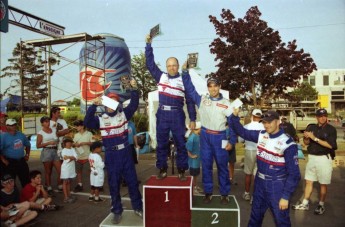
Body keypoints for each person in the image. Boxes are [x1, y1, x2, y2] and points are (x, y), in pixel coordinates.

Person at [84, 79, 143, 224]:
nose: (111, 106)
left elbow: (134, 104)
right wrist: (93, 105)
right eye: (108, 103)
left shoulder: (123, 115)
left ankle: (138, 207)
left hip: (125, 153)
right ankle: (117, 211)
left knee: (132, 182)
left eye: (114, 103)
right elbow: (87, 122)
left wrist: (134, 89)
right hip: (111, 155)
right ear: (105, 104)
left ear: (117, 105)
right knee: (114, 184)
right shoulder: (100, 119)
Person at [229, 110, 301, 226]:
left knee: (281, 221)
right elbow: (242, 132)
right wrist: (234, 116)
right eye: (264, 122)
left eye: (270, 122)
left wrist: (286, 196)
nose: (266, 125)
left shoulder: (287, 143)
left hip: (277, 185)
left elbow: (294, 174)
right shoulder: (261, 134)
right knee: (254, 218)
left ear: (278, 122)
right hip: (259, 183)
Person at [181, 67, 236, 205]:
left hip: (221, 137)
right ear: (208, 88)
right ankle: (208, 192)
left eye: (215, 86)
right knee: (206, 166)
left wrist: (233, 141)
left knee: (222, 166)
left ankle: (224, 194)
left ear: (219, 87)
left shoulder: (227, 104)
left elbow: (233, 124)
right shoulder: (202, 100)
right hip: (205, 136)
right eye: (210, 86)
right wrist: (185, 73)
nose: (213, 89)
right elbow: (190, 89)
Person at [145, 34, 197, 180]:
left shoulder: (184, 79)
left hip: (177, 115)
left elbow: (190, 101)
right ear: (166, 67)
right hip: (162, 114)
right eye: (169, 65)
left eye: (174, 65)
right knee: (161, 144)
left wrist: (192, 118)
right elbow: (150, 64)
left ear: (178, 66)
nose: (171, 67)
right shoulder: (160, 76)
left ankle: (181, 169)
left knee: (181, 143)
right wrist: (148, 45)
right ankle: (162, 168)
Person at [292, 108, 337, 215]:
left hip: (324, 158)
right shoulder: (312, 127)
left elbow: (331, 145)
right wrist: (306, 138)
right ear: (316, 117)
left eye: (324, 115)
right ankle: (305, 203)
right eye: (320, 116)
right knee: (308, 181)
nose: (323, 118)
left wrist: (315, 138)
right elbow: (306, 143)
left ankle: (321, 205)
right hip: (312, 157)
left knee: (323, 184)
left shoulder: (331, 129)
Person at [239, 109, 265, 202]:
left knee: (248, 173)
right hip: (261, 152)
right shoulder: (264, 127)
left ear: (252, 116)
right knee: (257, 174)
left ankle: (247, 193)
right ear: (260, 117)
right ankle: (255, 195)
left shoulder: (246, 126)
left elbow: (240, 140)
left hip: (250, 150)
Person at [0, 119, 31, 187]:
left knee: (26, 180)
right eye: (11, 125)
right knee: (10, 181)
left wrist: (27, 154)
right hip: (9, 161)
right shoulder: (3, 137)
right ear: (7, 126)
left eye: (15, 125)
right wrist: (3, 160)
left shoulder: (21, 135)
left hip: (21, 160)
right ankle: (12, 196)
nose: (14, 126)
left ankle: (28, 195)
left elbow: (28, 145)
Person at [36, 116, 61, 196]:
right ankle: (49, 186)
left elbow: (57, 138)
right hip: (47, 151)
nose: (48, 123)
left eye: (48, 121)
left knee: (60, 170)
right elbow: (38, 145)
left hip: (55, 150)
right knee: (48, 171)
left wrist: (56, 141)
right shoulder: (41, 133)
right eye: (46, 122)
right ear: (42, 123)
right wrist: (48, 143)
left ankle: (59, 184)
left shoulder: (53, 130)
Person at [50, 107, 69, 192]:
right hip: (52, 147)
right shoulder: (48, 122)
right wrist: (60, 133)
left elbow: (67, 130)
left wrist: (58, 133)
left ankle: (60, 184)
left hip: (62, 146)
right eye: (57, 112)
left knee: (62, 167)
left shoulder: (62, 121)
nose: (59, 114)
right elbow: (49, 134)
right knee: (49, 169)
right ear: (53, 113)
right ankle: (48, 185)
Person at [72, 120, 94, 192]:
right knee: (79, 172)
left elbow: (93, 143)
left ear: (82, 126)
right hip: (78, 156)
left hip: (87, 156)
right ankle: (79, 184)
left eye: (77, 126)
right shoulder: (76, 135)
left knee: (90, 171)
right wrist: (75, 145)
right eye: (75, 126)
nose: (76, 127)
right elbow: (73, 144)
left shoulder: (89, 134)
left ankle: (94, 185)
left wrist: (85, 143)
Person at [186, 122, 203, 195]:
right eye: (201, 129)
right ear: (198, 129)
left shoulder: (197, 136)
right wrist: (191, 156)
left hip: (197, 160)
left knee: (196, 174)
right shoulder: (192, 137)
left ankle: (195, 186)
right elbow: (188, 149)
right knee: (193, 175)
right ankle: (193, 189)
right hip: (193, 161)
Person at [122, 120, 141, 186]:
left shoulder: (132, 124)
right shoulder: (120, 122)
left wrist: (136, 144)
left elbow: (134, 135)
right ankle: (124, 180)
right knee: (124, 163)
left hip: (131, 145)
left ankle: (133, 179)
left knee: (132, 163)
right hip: (123, 146)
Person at [60, 137, 77, 203]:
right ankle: (66, 197)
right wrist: (72, 157)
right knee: (65, 182)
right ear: (65, 144)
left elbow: (76, 157)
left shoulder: (73, 149)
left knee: (69, 181)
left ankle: (69, 195)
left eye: (70, 142)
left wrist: (70, 157)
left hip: (71, 168)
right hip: (66, 169)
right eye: (68, 142)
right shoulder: (64, 150)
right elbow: (65, 158)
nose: (69, 143)